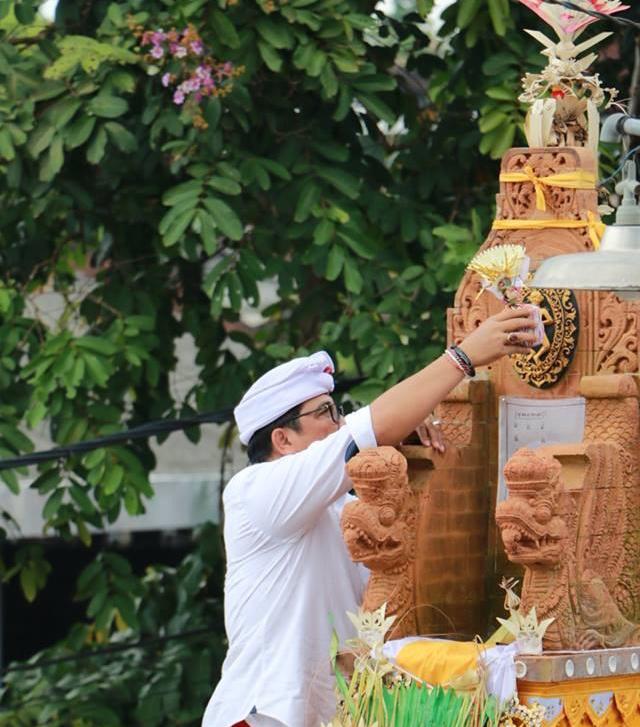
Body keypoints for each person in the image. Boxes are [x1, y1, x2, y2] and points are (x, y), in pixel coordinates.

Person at [202, 307, 537, 727]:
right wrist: (464, 357)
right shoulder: (254, 491)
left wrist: (407, 450)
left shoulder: (342, 507)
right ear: (282, 439)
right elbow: (366, 430)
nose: (338, 421)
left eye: (338, 410)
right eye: (325, 413)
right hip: (263, 714)